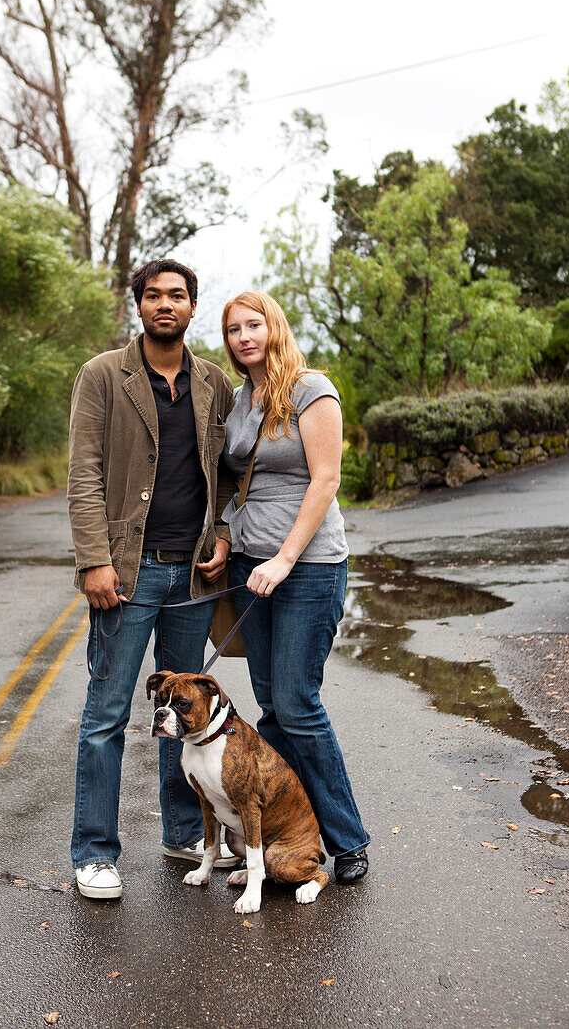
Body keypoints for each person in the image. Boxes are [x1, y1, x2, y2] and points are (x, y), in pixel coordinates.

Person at [67, 259, 237, 900]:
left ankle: (181, 831)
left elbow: (222, 472)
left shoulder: (215, 383)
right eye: (153, 295)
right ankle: (94, 853)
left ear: (193, 307)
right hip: (128, 574)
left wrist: (220, 532)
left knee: (183, 713)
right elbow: (84, 471)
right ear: (137, 305)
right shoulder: (104, 376)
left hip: (192, 577)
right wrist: (93, 559)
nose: (165, 304)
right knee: (107, 716)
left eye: (178, 295)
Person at [220, 291, 370, 884]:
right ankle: (292, 833)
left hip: (306, 566)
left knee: (298, 705)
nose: (243, 337)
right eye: (233, 329)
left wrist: (284, 557)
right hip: (248, 565)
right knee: (272, 705)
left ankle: (347, 838)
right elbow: (238, 485)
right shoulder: (238, 401)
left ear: (273, 327)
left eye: (253, 324)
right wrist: (228, 540)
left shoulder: (312, 389)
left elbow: (326, 480)